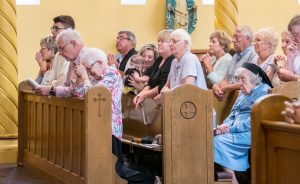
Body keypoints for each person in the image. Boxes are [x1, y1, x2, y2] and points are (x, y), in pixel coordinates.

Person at [74, 48, 156, 184]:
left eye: (89, 68)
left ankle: (149, 179)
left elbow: (93, 95)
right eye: (87, 70)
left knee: (116, 170)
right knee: (110, 168)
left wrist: (85, 77)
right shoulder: (98, 76)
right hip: (100, 126)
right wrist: (79, 78)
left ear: (100, 62)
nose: (89, 73)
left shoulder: (111, 75)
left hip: (110, 127)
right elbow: (78, 93)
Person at [214, 63, 272, 184]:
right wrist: (225, 126)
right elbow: (233, 113)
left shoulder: (265, 90)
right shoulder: (243, 91)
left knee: (217, 141)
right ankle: (234, 178)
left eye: (243, 79)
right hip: (235, 130)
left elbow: (254, 120)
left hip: (253, 132)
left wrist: (231, 129)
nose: (239, 83)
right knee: (213, 135)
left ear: (254, 78)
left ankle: (233, 180)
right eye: (238, 79)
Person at [35, 29, 87, 97]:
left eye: (61, 48)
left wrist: (51, 90)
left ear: (73, 43)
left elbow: (79, 91)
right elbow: (66, 85)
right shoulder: (72, 61)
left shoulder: (88, 59)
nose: (59, 53)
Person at [212, 26, 258, 101]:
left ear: (247, 39)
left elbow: (249, 82)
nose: (233, 40)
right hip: (232, 101)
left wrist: (227, 88)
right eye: (233, 37)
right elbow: (227, 79)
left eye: (237, 37)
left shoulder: (254, 55)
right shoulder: (235, 56)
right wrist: (216, 86)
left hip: (245, 102)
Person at [133, 29, 175, 107]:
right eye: (158, 41)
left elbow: (162, 85)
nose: (159, 43)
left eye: (162, 41)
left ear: (171, 44)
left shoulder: (172, 60)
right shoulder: (159, 59)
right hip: (152, 101)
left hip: (162, 102)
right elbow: (150, 83)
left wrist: (144, 95)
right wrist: (141, 94)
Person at [35, 15, 75, 87]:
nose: (52, 31)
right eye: (52, 28)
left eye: (56, 28)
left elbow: (63, 83)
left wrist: (54, 83)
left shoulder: (75, 53)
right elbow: (50, 81)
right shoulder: (58, 55)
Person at [277, 15, 300, 82]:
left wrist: (292, 77)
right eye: (293, 35)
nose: (295, 38)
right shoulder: (295, 52)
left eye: (298, 34)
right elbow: (290, 84)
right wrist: (290, 58)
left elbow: (291, 77)